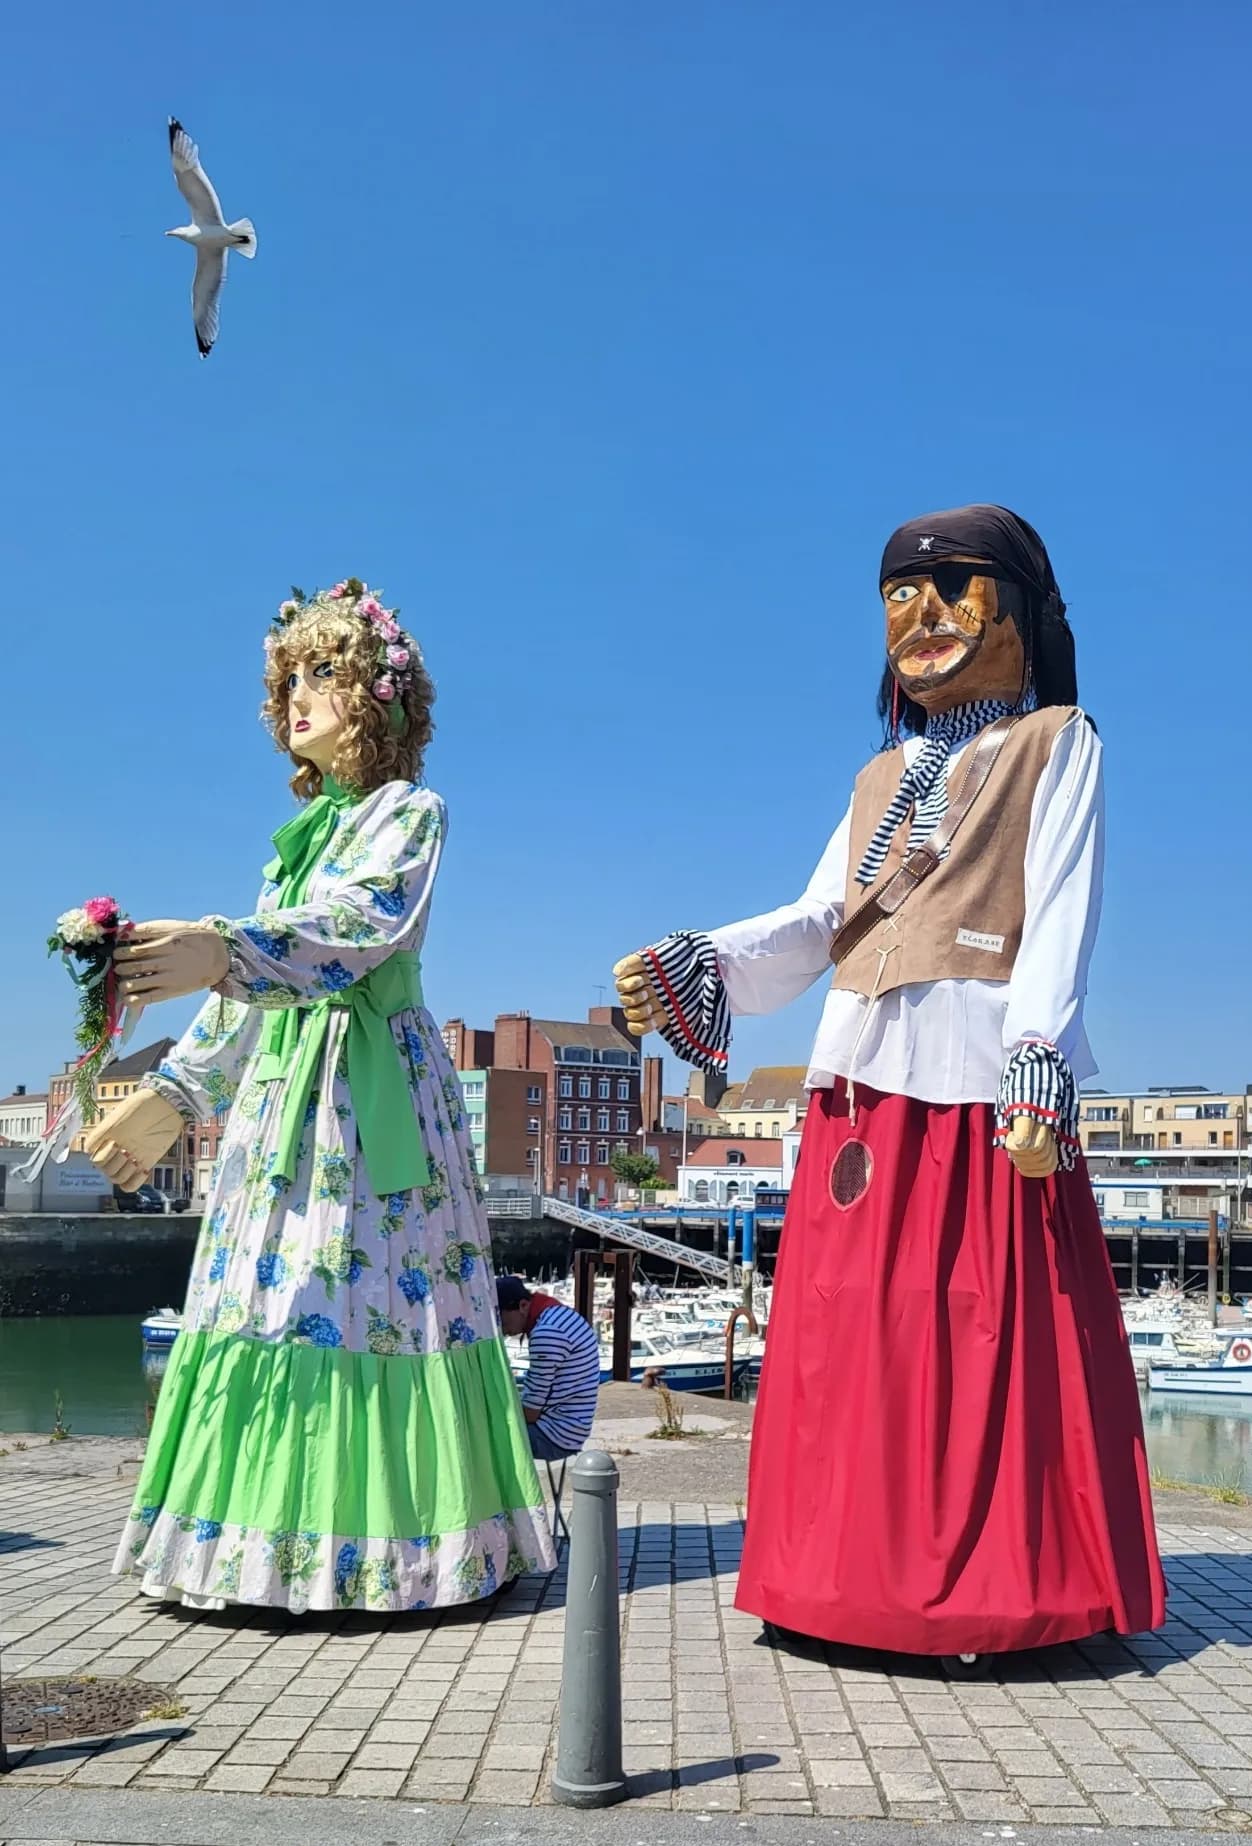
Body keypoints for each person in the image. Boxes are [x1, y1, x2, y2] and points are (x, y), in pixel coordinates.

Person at [614, 504, 1164, 1670]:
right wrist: (701, 961)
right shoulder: (878, 778)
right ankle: (831, 1578)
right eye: (897, 598)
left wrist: (1036, 1057)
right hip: (857, 1080)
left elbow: (1060, 908)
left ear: (1015, 609)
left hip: (976, 1090)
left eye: (952, 588)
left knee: (971, 1336)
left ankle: (986, 1589)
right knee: (846, 1343)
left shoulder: (1055, 741)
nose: (919, 618)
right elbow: (824, 916)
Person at [85, 578, 555, 1613]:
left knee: (375, 1297)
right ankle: (255, 1549)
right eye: (287, 678)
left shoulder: (410, 815)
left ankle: (395, 1545)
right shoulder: (289, 846)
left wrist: (225, 947)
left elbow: (360, 927)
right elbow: (241, 1003)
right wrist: (173, 1088)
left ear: (377, 700)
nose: (297, 697)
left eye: (323, 674)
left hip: (364, 1088)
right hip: (283, 1102)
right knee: (274, 1294)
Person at [496, 1277, 600, 1460]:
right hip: (573, 1428)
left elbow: (530, 1412)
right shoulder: (557, 1313)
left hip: (554, 1435)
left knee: (479, 1438)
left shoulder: (547, 1333)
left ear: (522, 1305)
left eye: (503, 1322)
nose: (503, 1331)